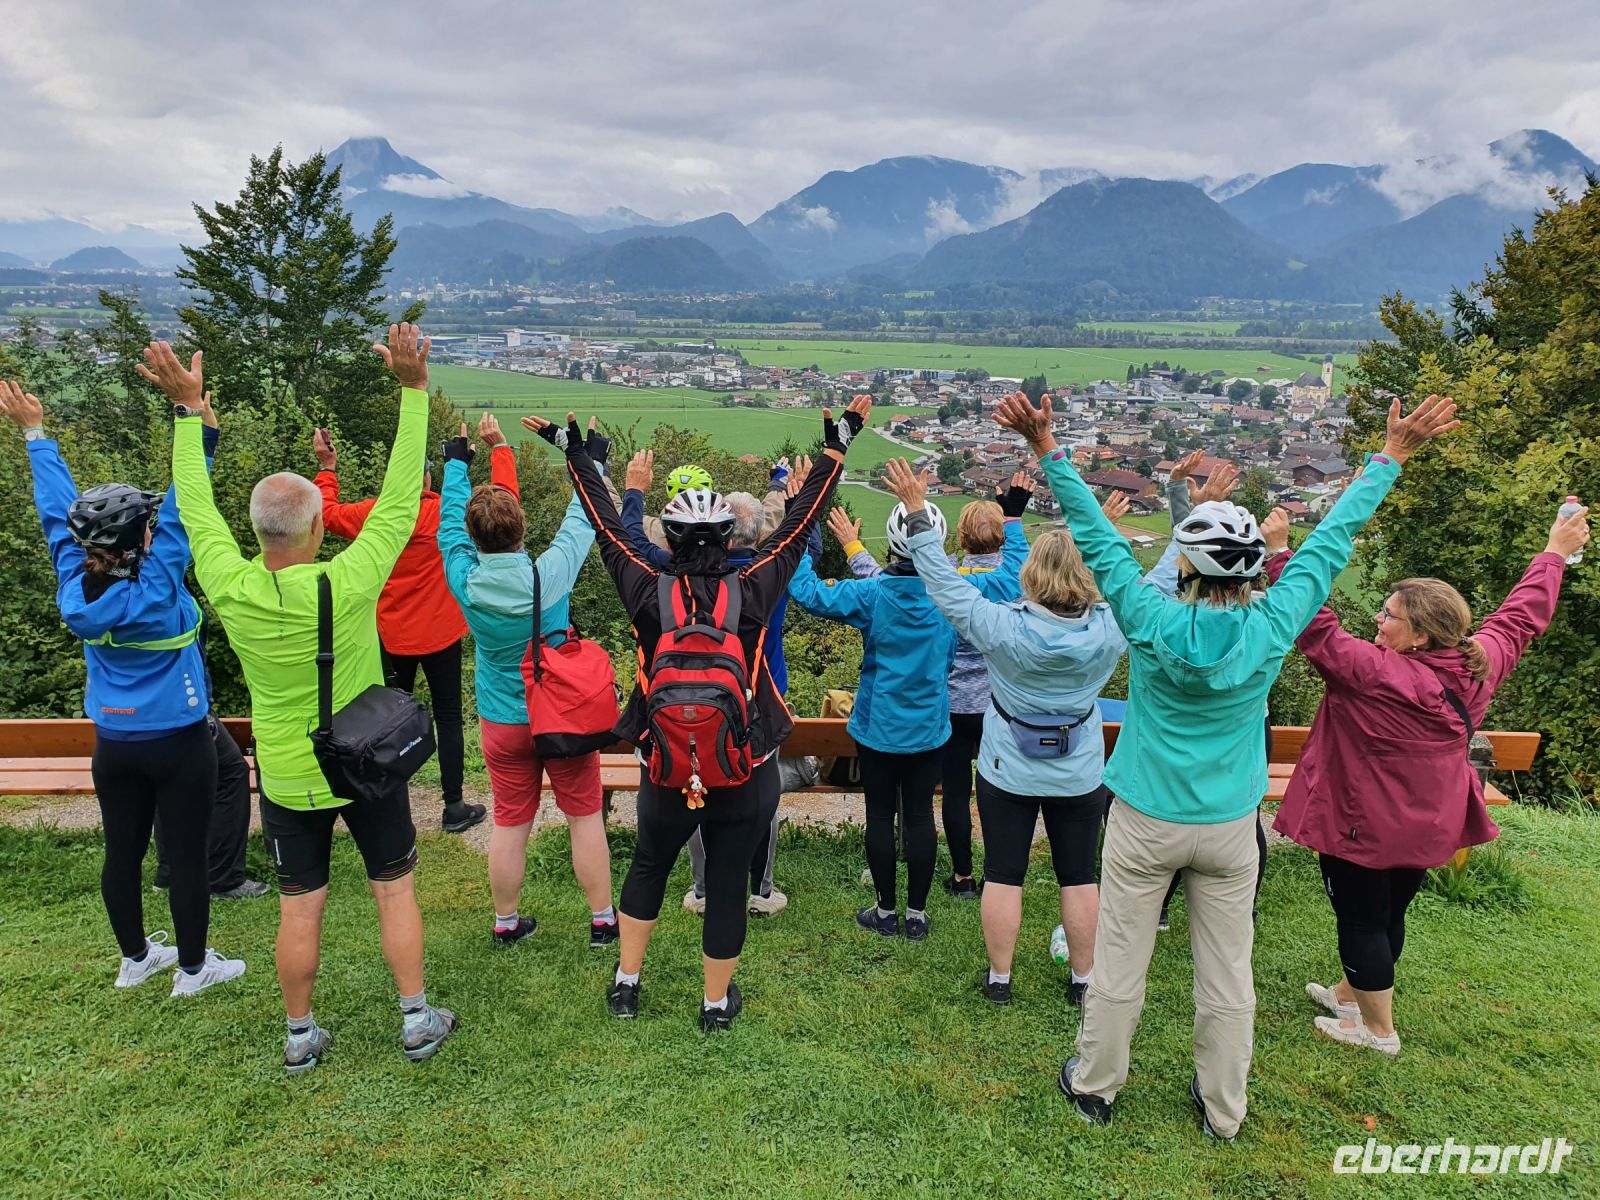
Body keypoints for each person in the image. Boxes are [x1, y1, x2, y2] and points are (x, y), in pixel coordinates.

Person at [994, 388, 1459, 1140]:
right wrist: (1390, 458)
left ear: (1188, 565)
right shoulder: (1275, 619)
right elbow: (1331, 540)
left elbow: (1096, 536)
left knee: (1119, 963)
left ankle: (1097, 1085)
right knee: (1227, 973)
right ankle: (1223, 1108)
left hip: (1145, 816)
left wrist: (1049, 450)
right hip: (1229, 825)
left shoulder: (1148, 618)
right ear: (1248, 573)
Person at [145, 325, 456, 1073]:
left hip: (286, 771)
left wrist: (190, 417)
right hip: (365, 763)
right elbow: (400, 501)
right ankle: (416, 1020)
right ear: (319, 526)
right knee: (393, 890)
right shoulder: (347, 582)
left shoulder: (229, 582)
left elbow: (194, 509)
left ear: (255, 532)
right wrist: (414, 393)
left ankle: (299, 1035)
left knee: (299, 905)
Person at [565, 397, 871, 1030]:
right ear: (727, 539)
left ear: (669, 540)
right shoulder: (756, 585)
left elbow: (608, 528)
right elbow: (799, 523)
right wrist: (836, 446)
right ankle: (713, 1003)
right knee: (729, 880)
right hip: (746, 762)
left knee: (650, 865)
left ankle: (626, 984)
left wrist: (579, 458)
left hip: (666, 764)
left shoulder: (647, 589)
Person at [1267, 501, 1588, 1056]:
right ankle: (1351, 994)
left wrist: (1278, 554)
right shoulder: (1478, 662)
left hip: (1362, 823)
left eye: (1388, 615)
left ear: (1418, 635)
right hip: (1425, 821)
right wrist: (1555, 554)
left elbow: (1309, 621)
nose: (1378, 619)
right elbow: (1520, 616)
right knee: (1390, 911)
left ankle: (1378, 1029)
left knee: (1361, 920)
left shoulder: (1371, 671)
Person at [1, 378, 246, 997]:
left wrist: (36, 436)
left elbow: (56, 513)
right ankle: (193, 969)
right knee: (187, 856)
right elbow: (186, 506)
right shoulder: (158, 586)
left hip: (115, 740)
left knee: (123, 852)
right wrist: (196, 426)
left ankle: (136, 958)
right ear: (142, 537)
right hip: (179, 739)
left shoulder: (74, 572)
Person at [882, 458, 1126, 1005]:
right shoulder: (1113, 629)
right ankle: (1084, 980)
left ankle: (999, 979)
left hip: (1005, 768)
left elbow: (942, 583)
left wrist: (919, 512)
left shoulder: (1000, 626)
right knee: (1079, 876)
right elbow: (1148, 583)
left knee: (1004, 873)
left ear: (1030, 575)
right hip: (1080, 770)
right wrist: (1104, 532)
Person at [790, 468, 1030, 942]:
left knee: (879, 816)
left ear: (895, 548)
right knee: (920, 816)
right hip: (929, 726)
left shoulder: (873, 593)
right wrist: (1014, 518)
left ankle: (884, 910)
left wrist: (802, 523)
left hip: (878, 725)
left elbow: (806, 592)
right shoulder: (955, 591)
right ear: (935, 545)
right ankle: (916, 915)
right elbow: (1010, 577)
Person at [437, 411, 617, 948]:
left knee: (511, 822)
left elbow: (449, 526)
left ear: (475, 538)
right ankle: (603, 919)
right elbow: (583, 518)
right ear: (522, 527)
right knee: (585, 817)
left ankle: (506, 921)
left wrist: (455, 465)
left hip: (503, 719)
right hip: (561, 715)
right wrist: (591, 460)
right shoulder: (549, 575)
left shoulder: (466, 579)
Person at [312, 426, 484, 834]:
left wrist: (328, 468)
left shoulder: (376, 515)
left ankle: (393, 806)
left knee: (387, 722)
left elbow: (325, 513)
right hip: (441, 634)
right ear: (426, 479)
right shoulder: (445, 513)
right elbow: (492, 511)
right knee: (448, 720)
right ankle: (454, 806)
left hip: (391, 636)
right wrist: (461, 464)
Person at [1149, 452, 1269, 934]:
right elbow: (1197, 556)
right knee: (1242, 819)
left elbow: (1185, 561)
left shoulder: (1166, 615)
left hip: (1171, 755)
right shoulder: (1264, 615)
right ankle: (1240, 905)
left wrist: (1184, 498)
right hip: (1244, 729)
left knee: (1172, 821)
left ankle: (1157, 905)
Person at [621, 450, 789, 567]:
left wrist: (604, 472)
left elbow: (622, 519)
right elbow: (766, 515)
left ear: (669, 545)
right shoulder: (759, 574)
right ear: (728, 541)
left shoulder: (652, 532)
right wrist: (778, 486)